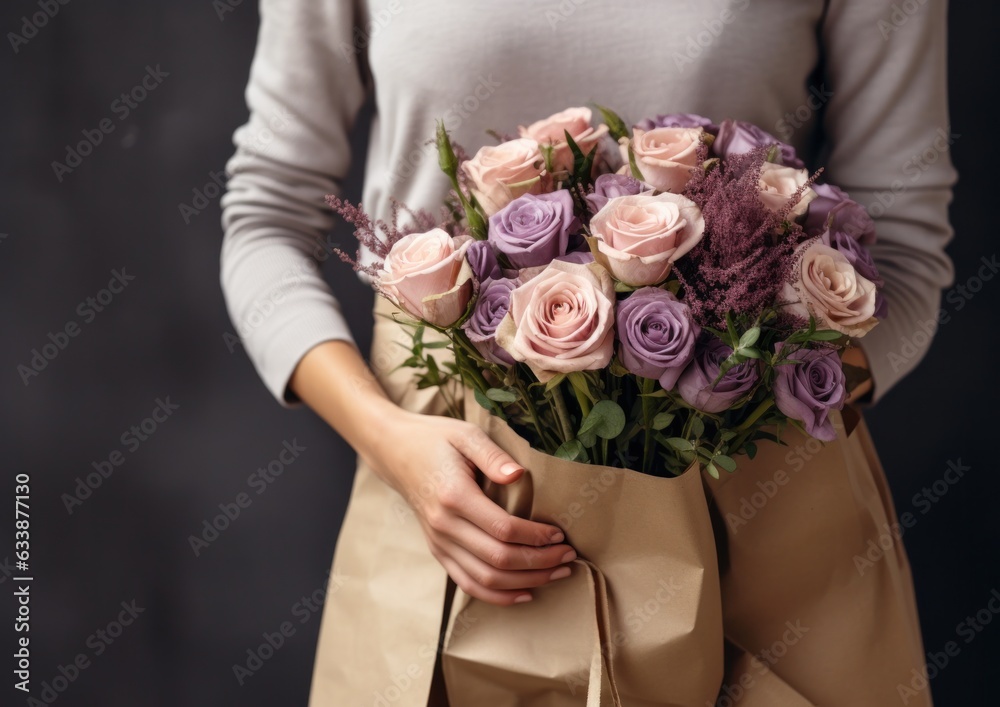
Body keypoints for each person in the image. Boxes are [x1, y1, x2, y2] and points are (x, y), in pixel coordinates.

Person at [220, 1, 955, 704]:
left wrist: (758, 397)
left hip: (756, 470)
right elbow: (266, 212)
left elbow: (908, 245)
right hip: (447, 491)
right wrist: (389, 441)